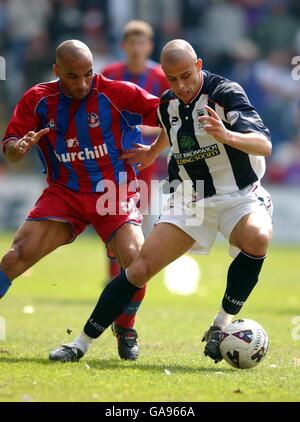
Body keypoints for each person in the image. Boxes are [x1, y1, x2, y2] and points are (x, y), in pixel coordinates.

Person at [50, 39, 273, 364]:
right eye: (172, 79)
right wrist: (152, 151)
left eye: (186, 76)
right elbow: (172, 128)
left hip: (239, 196)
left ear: (198, 66)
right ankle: (79, 344)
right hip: (190, 196)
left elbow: (264, 144)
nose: (181, 86)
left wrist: (227, 136)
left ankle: (220, 325)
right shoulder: (168, 102)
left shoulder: (225, 93)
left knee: (258, 237)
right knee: (139, 269)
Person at [0, 39, 160, 361]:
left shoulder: (118, 93)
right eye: (73, 76)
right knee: (18, 256)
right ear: (57, 71)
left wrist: (154, 150)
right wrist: (17, 148)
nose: (83, 83)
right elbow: (11, 146)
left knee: (136, 259)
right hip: (65, 193)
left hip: (113, 192)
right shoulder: (38, 99)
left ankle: (126, 327)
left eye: (88, 74)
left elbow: (169, 114)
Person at [101, 20, 169, 285]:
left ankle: (130, 278)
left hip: (144, 159)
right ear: (123, 46)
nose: (137, 47)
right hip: (110, 158)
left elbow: (170, 120)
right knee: (110, 219)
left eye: (142, 42)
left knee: (133, 219)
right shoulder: (110, 72)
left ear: (150, 46)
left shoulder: (162, 77)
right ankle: (113, 279)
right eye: (132, 42)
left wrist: (143, 132)